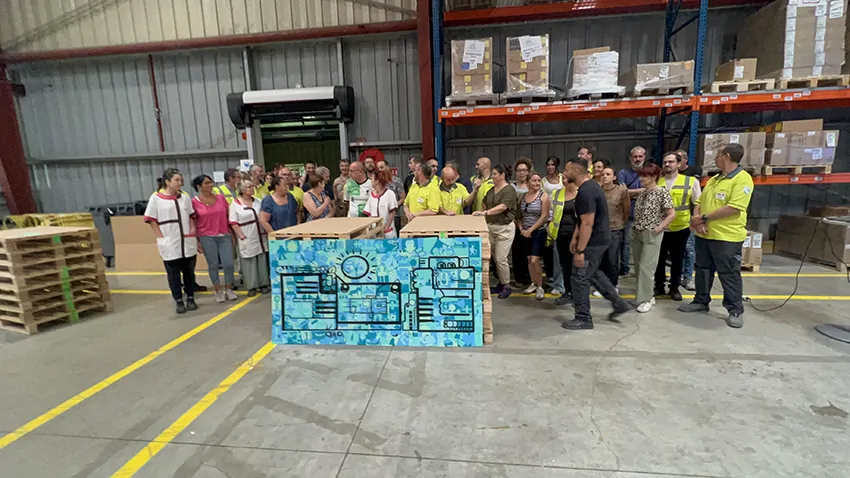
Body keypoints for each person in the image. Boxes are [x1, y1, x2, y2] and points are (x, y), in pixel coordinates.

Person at [678, 143, 754, 328]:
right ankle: (701, 301)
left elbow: (734, 208)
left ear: (726, 156)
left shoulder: (742, 180)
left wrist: (703, 218)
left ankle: (735, 309)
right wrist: (699, 220)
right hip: (705, 234)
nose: (715, 158)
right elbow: (700, 201)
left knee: (728, 273)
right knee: (703, 268)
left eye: (718, 155)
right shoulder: (714, 179)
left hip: (727, 237)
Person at [562, 158, 633, 330]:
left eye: (567, 170)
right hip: (598, 238)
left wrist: (580, 250)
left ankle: (583, 318)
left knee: (579, 277)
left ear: (577, 171)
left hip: (593, 241)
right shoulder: (589, 188)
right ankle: (618, 303)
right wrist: (574, 237)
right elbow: (582, 220)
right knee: (593, 273)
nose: (564, 174)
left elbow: (588, 223)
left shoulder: (587, 192)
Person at [144, 168, 199, 314]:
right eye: (177, 180)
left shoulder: (184, 198)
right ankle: (178, 300)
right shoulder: (156, 198)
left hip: (186, 240)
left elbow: (191, 215)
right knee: (173, 273)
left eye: (181, 180)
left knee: (189, 272)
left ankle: (191, 297)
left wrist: (192, 229)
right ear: (167, 182)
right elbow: (151, 219)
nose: (180, 183)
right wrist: (161, 236)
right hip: (170, 240)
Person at [655, 151, 701, 301]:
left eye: (671, 162)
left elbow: (697, 203)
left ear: (679, 164)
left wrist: (693, 224)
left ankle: (674, 287)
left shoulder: (690, 181)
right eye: (665, 162)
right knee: (659, 259)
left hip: (681, 227)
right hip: (661, 227)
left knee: (678, 259)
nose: (667, 164)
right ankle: (659, 285)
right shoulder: (658, 181)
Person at [630, 164, 675, 313]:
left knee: (646, 267)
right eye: (641, 175)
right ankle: (644, 295)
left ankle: (646, 299)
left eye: (645, 176)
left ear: (654, 177)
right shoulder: (643, 193)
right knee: (638, 266)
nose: (641, 179)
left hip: (652, 233)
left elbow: (671, 213)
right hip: (638, 231)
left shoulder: (662, 192)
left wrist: (659, 227)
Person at [473, 164, 517, 299]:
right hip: (491, 226)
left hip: (504, 228)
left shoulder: (509, 190)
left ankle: (507, 285)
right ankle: (501, 282)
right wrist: (486, 214)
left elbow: (503, 207)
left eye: (494, 174)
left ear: (502, 175)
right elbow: (485, 202)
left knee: (501, 258)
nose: (492, 176)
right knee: (493, 257)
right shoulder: (492, 190)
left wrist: (486, 213)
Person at [191, 175, 238, 304]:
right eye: (206, 183)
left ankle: (229, 288)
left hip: (224, 234)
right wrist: (196, 241)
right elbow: (193, 222)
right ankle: (218, 291)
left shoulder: (221, 198)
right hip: (206, 237)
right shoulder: (194, 202)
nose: (210, 185)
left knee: (228, 263)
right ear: (199, 186)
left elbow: (229, 216)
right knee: (213, 265)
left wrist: (233, 234)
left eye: (211, 183)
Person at [229, 180, 270, 297]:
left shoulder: (258, 201)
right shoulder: (235, 204)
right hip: (246, 234)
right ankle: (251, 286)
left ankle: (263, 284)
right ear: (241, 190)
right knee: (249, 261)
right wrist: (241, 235)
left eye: (252, 186)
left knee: (261, 259)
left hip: (260, 235)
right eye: (248, 187)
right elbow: (233, 222)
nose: (252, 188)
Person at [516, 172, 551, 300]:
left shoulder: (543, 196)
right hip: (525, 232)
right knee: (529, 259)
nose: (536, 183)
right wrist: (521, 228)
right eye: (533, 180)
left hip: (538, 232)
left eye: (538, 181)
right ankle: (533, 283)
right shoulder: (522, 197)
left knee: (535, 260)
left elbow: (544, 216)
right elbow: (519, 216)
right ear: (528, 183)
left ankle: (540, 286)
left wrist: (531, 229)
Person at [548, 174, 578, 306]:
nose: (565, 180)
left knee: (576, 267)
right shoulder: (556, 193)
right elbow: (551, 212)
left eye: (567, 178)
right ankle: (567, 292)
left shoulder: (580, 193)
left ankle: (577, 295)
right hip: (560, 234)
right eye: (563, 178)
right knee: (564, 265)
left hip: (576, 235)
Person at [616, 146, 646, 276]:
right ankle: (625, 267)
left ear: (644, 157)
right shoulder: (623, 173)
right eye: (635, 157)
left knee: (645, 243)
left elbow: (652, 190)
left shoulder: (649, 172)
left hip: (646, 215)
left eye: (640, 156)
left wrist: (630, 193)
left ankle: (642, 268)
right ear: (630, 158)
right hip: (629, 213)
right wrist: (641, 191)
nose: (638, 159)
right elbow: (622, 192)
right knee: (626, 242)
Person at [599, 166, 629, 292]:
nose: (605, 176)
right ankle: (603, 285)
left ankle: (612, 285)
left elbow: (626, 209)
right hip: (600, 229)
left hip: (615, 228)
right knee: (602, 259)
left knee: (612, 258)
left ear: (614, 177)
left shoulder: (621, 191)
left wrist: (621, 222)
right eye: (603, 174)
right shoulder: (598, 190)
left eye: (608, 174)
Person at [676, 149, 700, 291]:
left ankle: (688, 278)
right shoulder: (665, 177)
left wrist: (695, 220)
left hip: (687, 220)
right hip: (670, 223)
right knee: (675, 252)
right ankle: (676, 279)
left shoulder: (692, 176)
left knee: (689, 250)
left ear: (685, 160)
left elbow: (698, 201)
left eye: (678, 159)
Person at [541, 156, 565, 295]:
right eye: (548, 164)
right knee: (549, 250)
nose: (550, 167)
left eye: (552, 165)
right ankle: (552, 277)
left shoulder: (563, 178)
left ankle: (561, 282)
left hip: (561, 215)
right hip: (548, 215)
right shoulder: (543, 181)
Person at [512, 157, 534, 288]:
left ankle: (530, 278)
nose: (522, 173)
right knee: (517, 252)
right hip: (515, 223)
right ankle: (519, 277)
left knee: (530, 253)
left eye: (525, 170)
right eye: (519, 170)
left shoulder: (533, 185)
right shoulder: (511, 186)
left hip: (530, 224)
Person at [364, 169, 399, 238]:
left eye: (372, 179)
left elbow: (392, 212)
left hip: (387, 231)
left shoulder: (389, 194)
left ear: (377, 181)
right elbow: (369, 212)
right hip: (374, 231)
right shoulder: (371, 195)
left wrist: (386, 227)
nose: (371, 181)